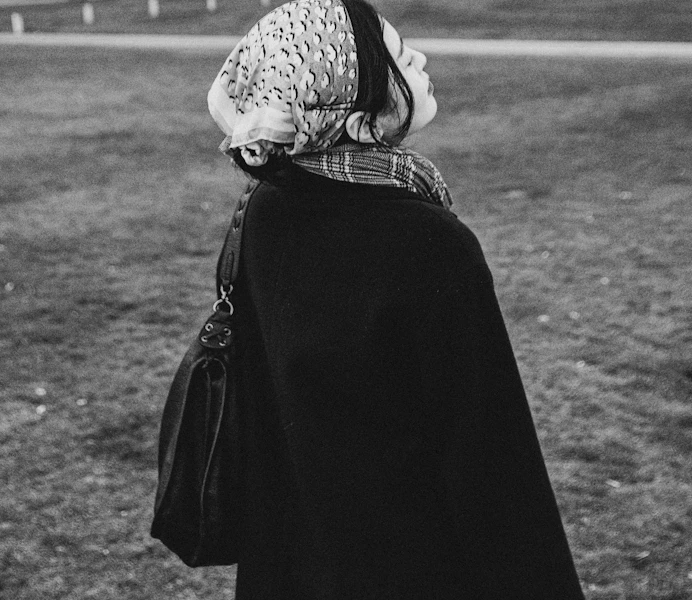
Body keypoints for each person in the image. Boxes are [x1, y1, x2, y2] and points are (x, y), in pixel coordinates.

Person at [207, 0, 586, 597]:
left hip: (298, 557)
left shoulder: (267, 206)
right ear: (347, 88)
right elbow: (491, 463)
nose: (419, 59)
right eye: (400, 56)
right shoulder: (426, 241)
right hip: (413, 563)